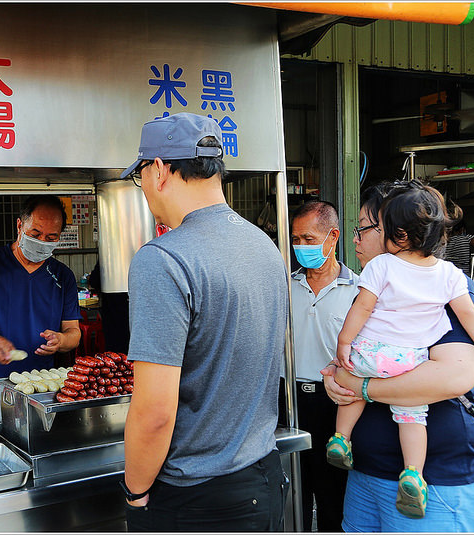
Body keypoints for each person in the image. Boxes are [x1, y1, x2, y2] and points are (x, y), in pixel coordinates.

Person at [120, 113, 288, 531]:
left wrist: (135, 493)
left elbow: (154, 412)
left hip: (198, 498)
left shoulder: (162, 258)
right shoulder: (264, 245)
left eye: (141, 176)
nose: (144, 187)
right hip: (264, 475)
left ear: (159, 170)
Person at [322, 181, 474, 532]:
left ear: (395, 232)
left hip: (438, 482)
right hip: (368, 473)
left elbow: (456, 375)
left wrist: (360, 386)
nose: (355, 240)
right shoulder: (378, 287)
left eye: (363, 228)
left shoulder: (447, 287)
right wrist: (336, 379)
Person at [0, 196, 82, 417]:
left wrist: (61, 341)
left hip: (41, 392)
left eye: (51, 237)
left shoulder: (63, 276)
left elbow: (73, 333)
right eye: (35, 234)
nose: (42, 241)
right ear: (20, 225)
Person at [289, 200, 359, 531]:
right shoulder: (285, 286)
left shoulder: (358, 291)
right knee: (293, 498)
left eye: (308, 239)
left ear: (333, 237)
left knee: (334, 500)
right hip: (288, 401)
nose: (300, 246)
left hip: (336, 404)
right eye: (296, 239)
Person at [444, 200, 474, 277]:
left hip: (448, 273)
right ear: (462, 229)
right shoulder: (467, 238)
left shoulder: (446, 240)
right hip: (463, 273)